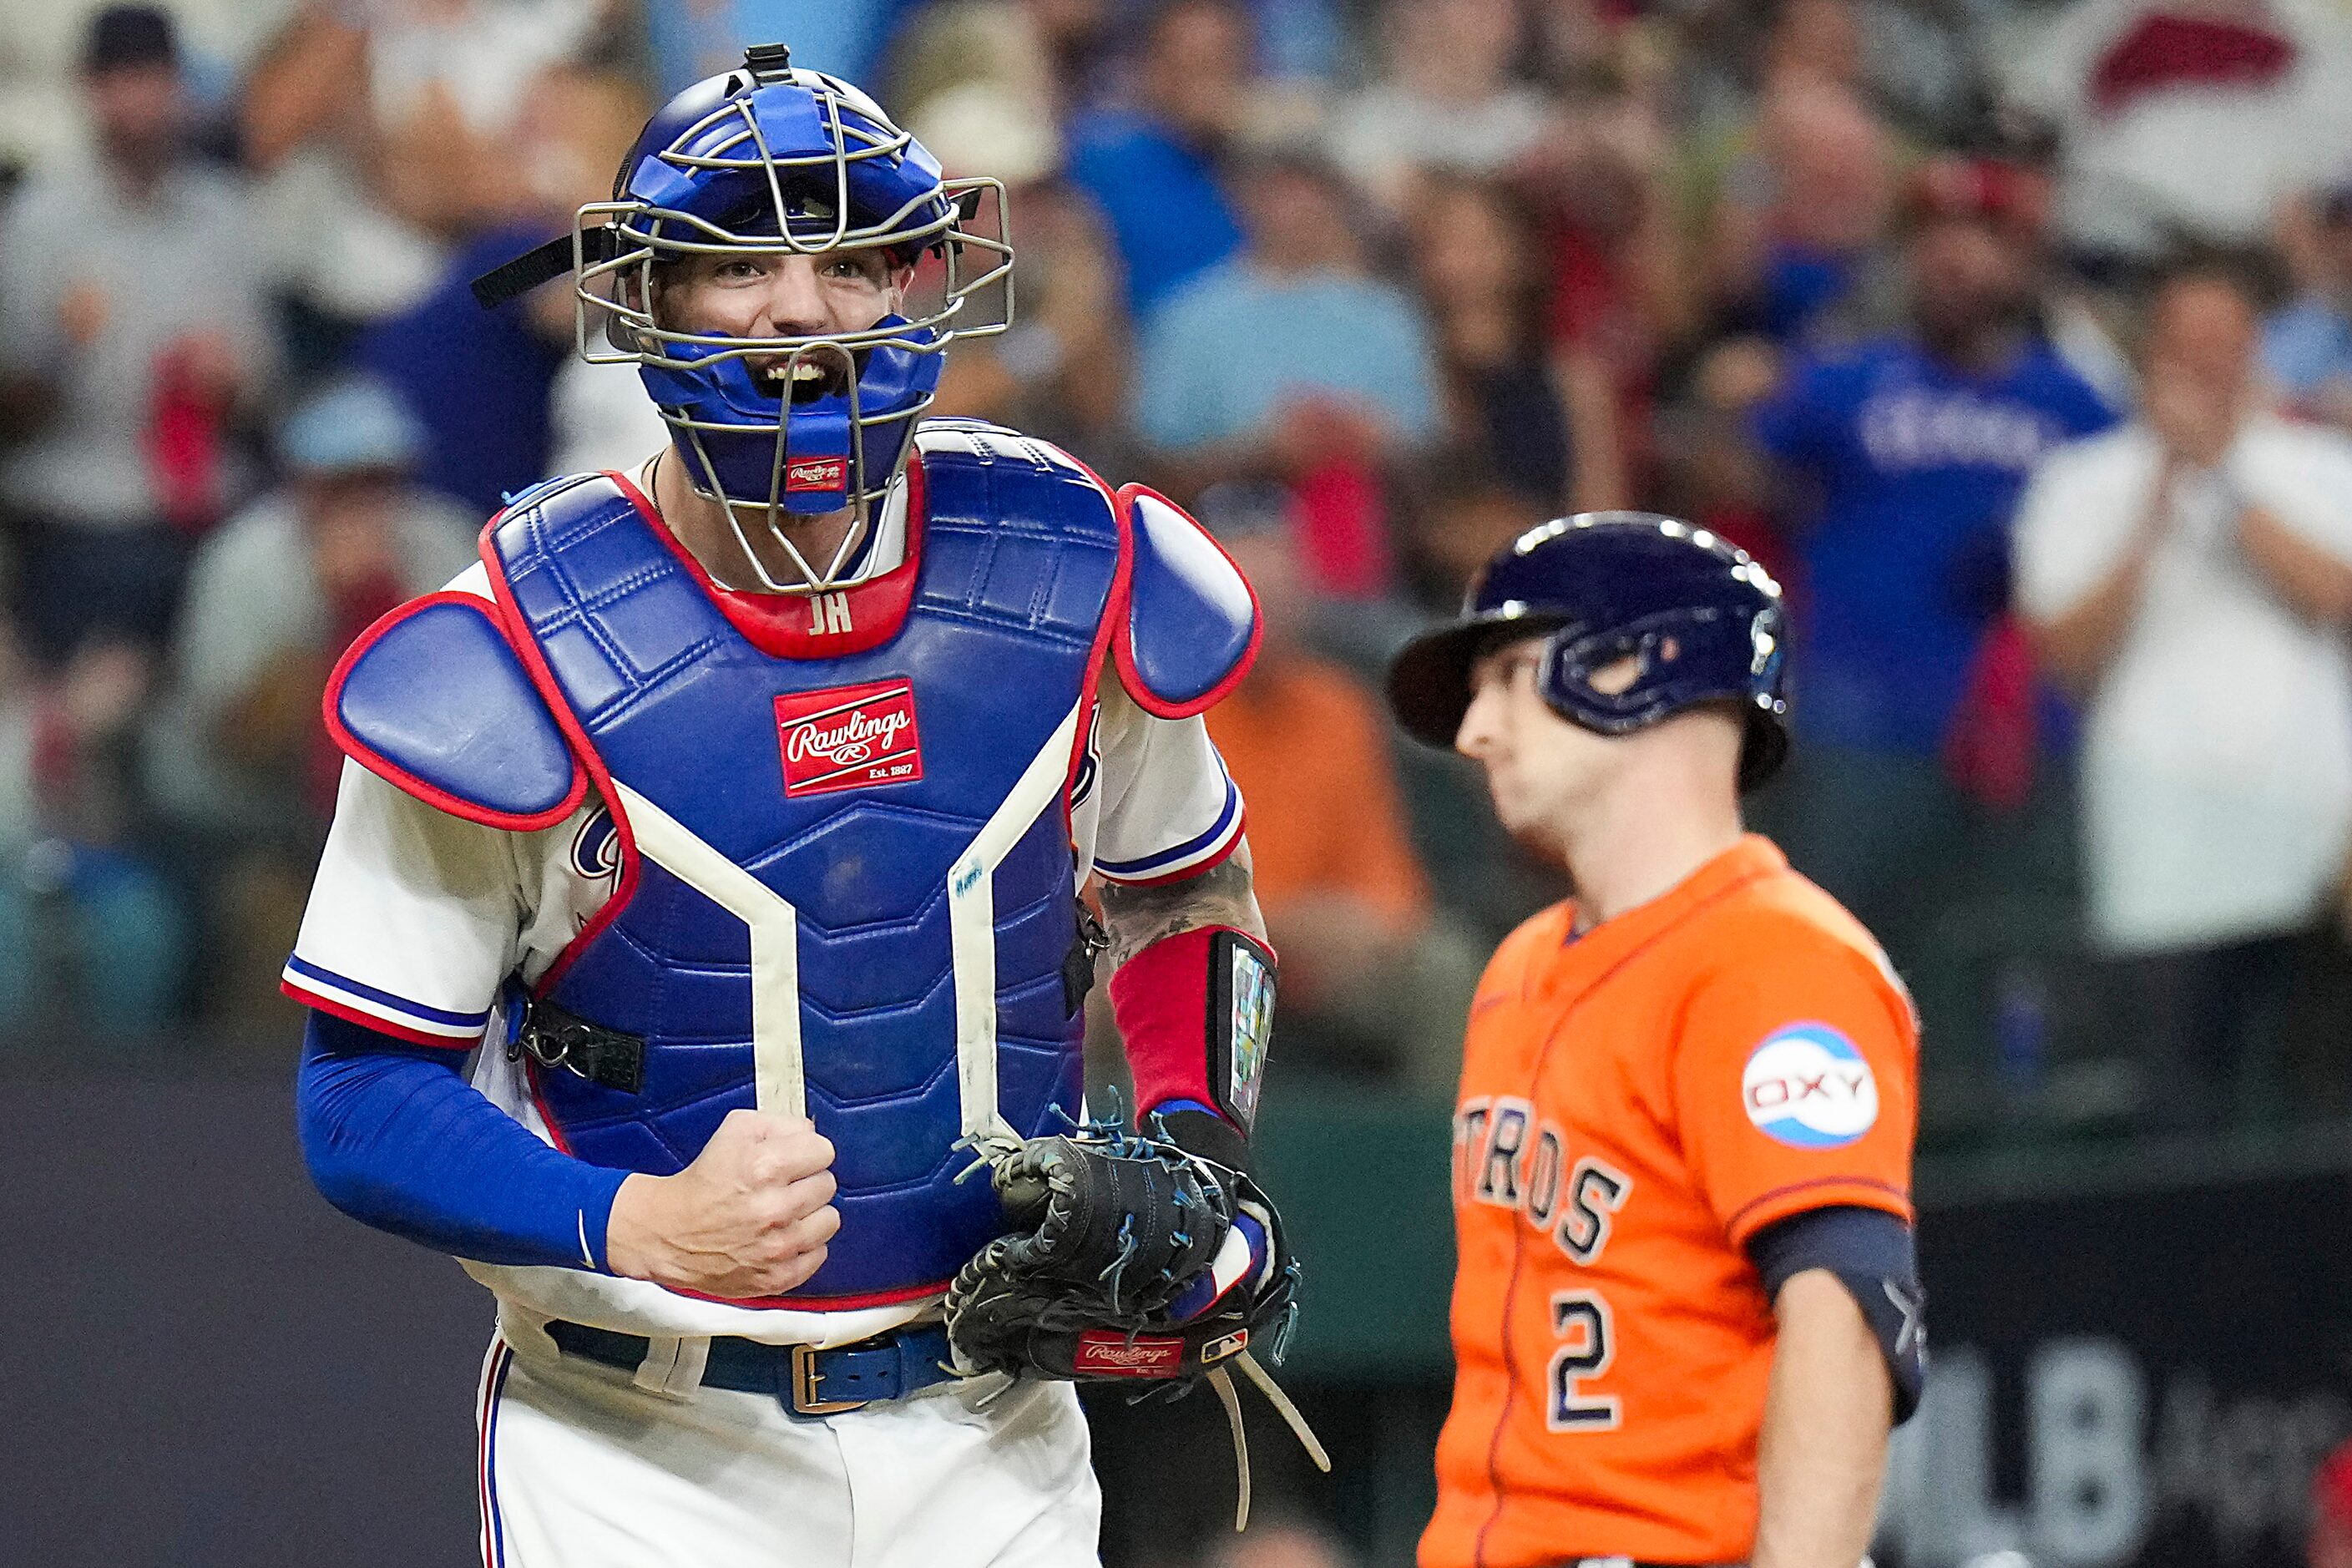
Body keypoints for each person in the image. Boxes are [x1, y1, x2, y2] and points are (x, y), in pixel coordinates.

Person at [285, 47, 1297, 1564]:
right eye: (737, 261)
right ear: (645, 298)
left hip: (995, 1428)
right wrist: (634, 1222)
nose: (802, 310)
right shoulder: (507, 649)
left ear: (920, 281)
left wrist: (1196, 1154)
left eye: (850, 257)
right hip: (640, 1450)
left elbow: (1182, 895)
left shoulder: (1069, 566)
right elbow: (358, 1097)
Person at [1383, 513, 1923, 1568]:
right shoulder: (1516, 968)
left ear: (1634, 665)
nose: (1474, 730)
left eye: (1507, 676)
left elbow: (1845, 1315)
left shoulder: (1775, 961)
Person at [2012, 264, 2352, 1128]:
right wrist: (2160, 499)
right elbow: (2070, 655)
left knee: (2314, 1111)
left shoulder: (2321, 466)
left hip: (2314, 839)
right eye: (2186, 345)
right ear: (2150, 354)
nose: (2206, 365)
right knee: (2180, 1116)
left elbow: (2336, 596)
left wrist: (2223, 478)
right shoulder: (2080, 481)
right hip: (2163, 847)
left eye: (2225, 343)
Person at [0, 3, 277, 665]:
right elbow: (10, 416)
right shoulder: (39, 220)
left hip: (203, 515)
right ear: (90, 91)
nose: (139, 101)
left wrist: (230, 383)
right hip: (76, 522)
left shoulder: (223, 214)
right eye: (119, 81)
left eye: (152, 79)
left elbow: (267, 398)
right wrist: (59, 346)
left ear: (178, 86)